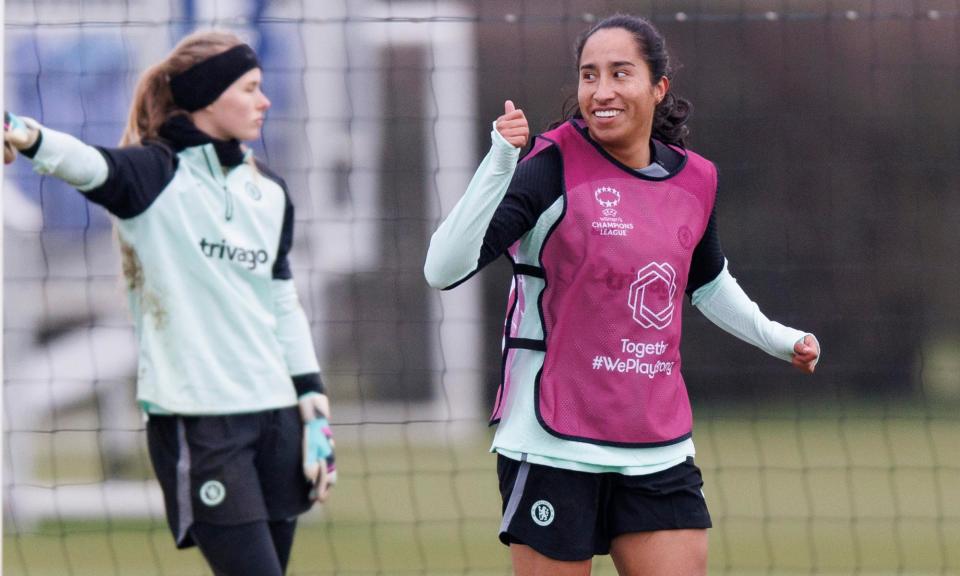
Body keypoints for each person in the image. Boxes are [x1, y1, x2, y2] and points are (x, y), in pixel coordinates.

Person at [424, 14, 820, 576]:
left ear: (658, 87)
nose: (601, 91)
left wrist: (782, 341)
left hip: (656, 444)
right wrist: (499, 162)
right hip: (552, 439)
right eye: (589, 76)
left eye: (620, 73)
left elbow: (705, 283)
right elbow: (442, 268)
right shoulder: (548, 164)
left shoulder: (696, 179)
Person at [4, 30, 336, 576]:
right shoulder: (153, 174)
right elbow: (85, 163)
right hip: (202, 426)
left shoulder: (269, 190)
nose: (265, 101)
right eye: (250, 88)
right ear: (208, 97)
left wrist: (315, 413)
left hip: (278, 423)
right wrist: (22, 132)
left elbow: (282, 303)